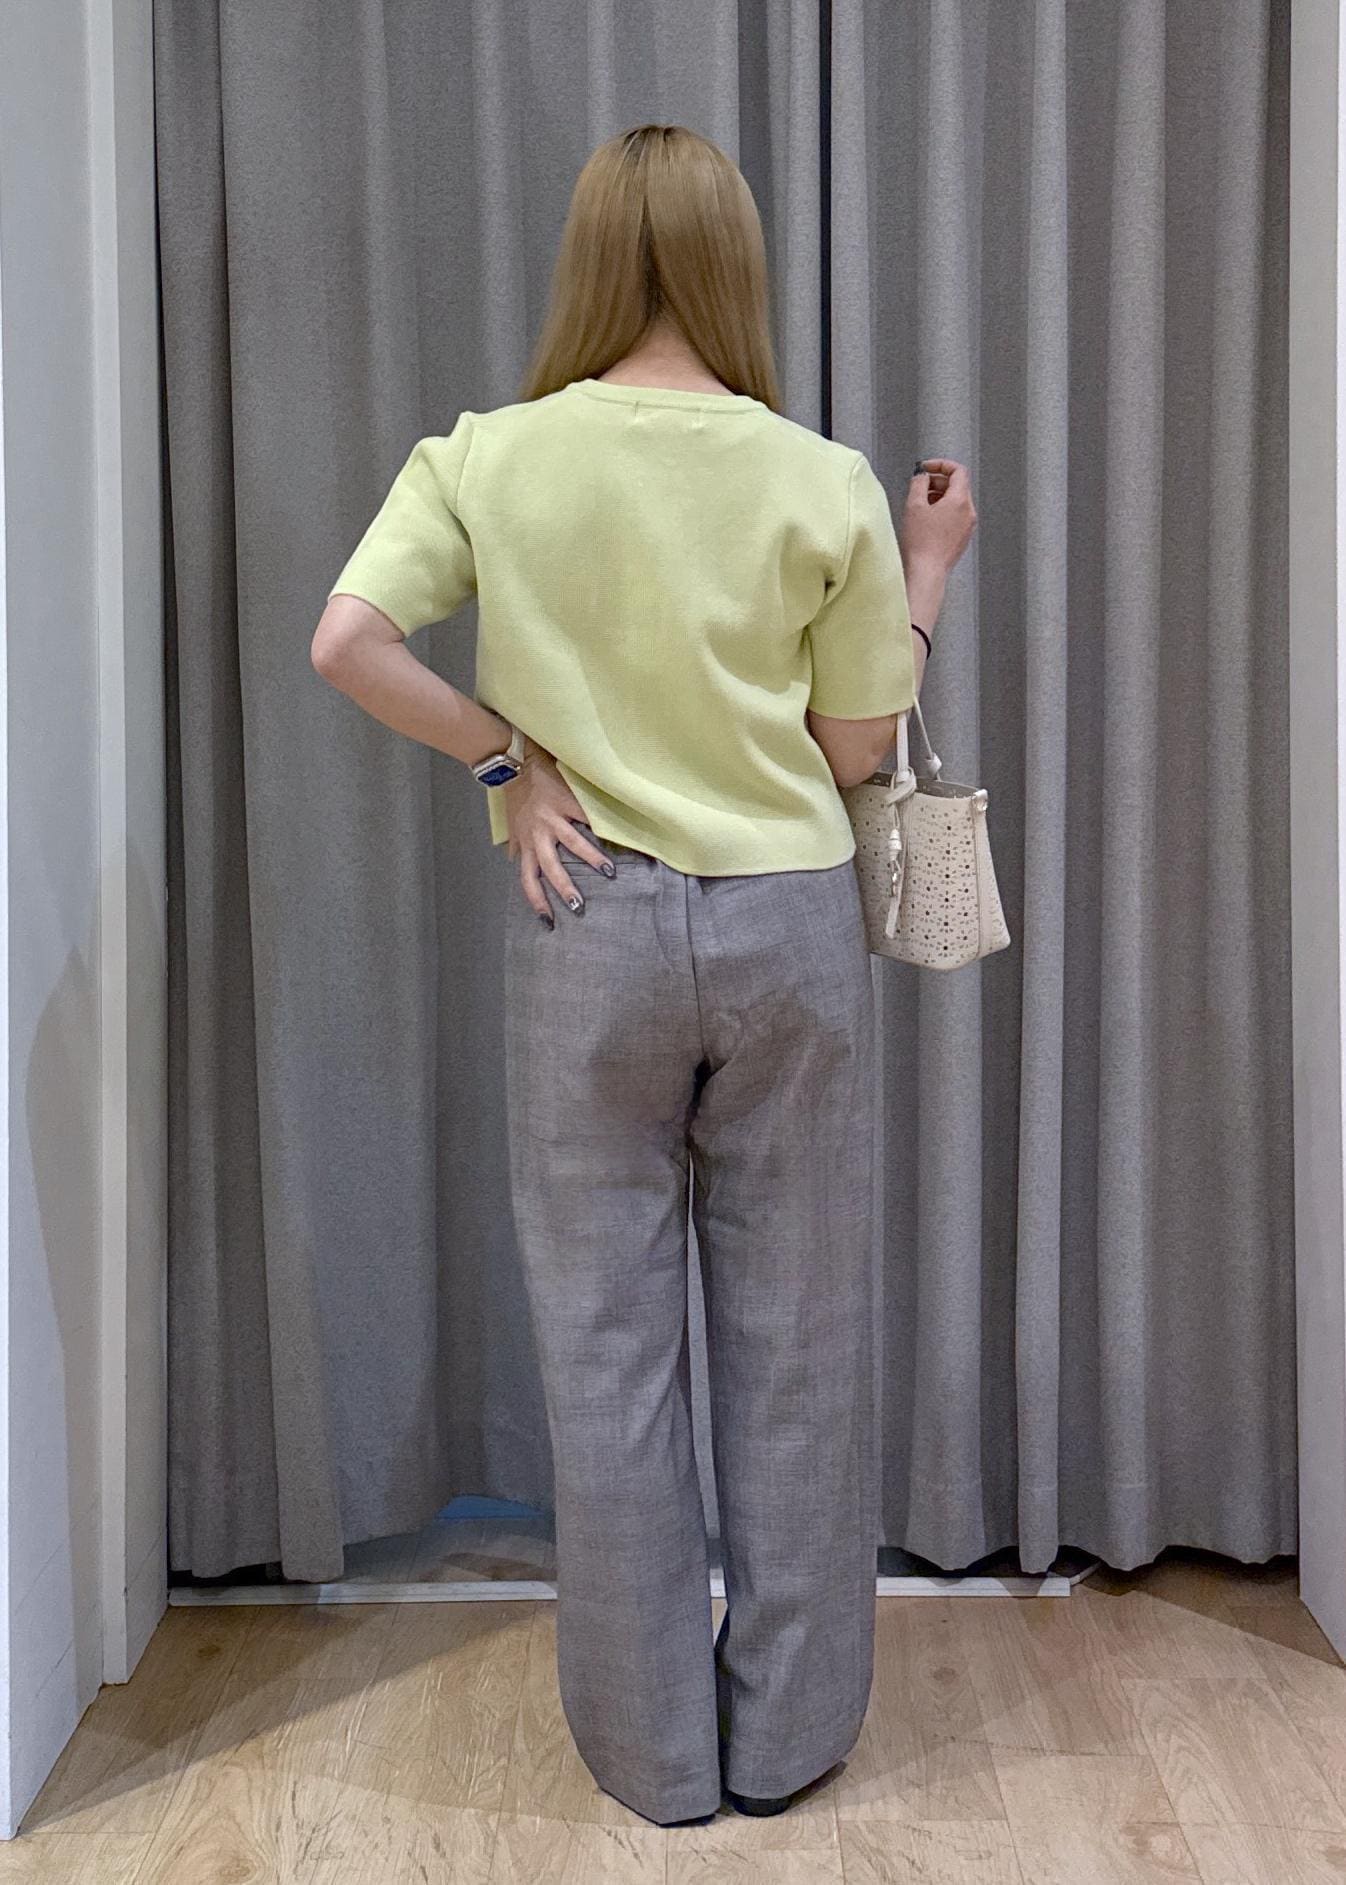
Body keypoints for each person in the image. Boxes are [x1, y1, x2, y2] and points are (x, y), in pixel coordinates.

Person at [311, 122, 977, 1830]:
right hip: (785, 934)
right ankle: (785, 1743)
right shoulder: (815, 475)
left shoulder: (491, 454)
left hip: (585, 920)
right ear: (734, 262)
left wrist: (506, 760)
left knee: (607, 1360)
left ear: (590, 260)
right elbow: (852, 747)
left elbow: (348, 641)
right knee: (797, 1349)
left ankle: (655, 1756)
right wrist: (924, 573)